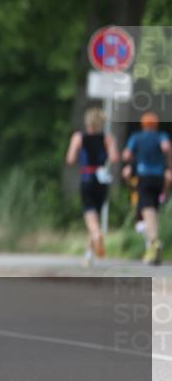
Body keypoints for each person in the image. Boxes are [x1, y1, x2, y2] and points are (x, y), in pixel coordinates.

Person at [65, 107, 119, 266]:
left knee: (90, 214)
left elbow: (70, 159)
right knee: (95, 217)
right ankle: (89, 255)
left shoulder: (78, 137)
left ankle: (96, 237)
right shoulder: (107, 137)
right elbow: (115, 157)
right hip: (102, 179)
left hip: (87, 177)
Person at [123, 112, 171, 265]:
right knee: (154, 211)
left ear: (143, 125)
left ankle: (154, 242)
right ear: (155, 125)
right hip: (159, 177)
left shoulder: (136, 137)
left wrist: (131, 161)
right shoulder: (161, 136)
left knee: (146, 209)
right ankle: (152, 250)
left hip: (144, 176)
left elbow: (126, 155)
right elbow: (166, 148)